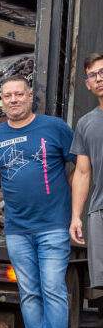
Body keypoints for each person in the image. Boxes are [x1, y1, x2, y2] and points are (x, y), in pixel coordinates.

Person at [0, 75, 75, 328]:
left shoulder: (55, 128)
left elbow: (79, 169)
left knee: (53, 288)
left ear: (30, 97)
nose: (14, 100)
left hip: (53, 226)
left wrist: (78, 215)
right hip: (17, 230)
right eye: (8, 96)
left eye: (19, 94)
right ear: (2, 101)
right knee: (29, 293)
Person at [70, 53, 103, 288]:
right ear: (87, 84)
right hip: (99, 211)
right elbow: (82, 173)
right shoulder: (85, 123)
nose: (99, 78)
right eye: (93, 75)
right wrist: (75, 216)